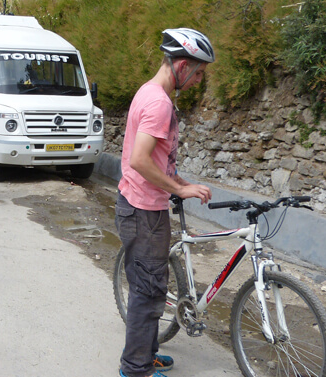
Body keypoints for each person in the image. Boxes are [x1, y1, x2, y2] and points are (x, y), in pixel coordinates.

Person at [115, 28, 214, 377]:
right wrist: (180, 191)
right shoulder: (159, 102)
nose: (199, 80)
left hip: (139, 203)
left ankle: (146, 353)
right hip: (144, 210)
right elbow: (141, 160)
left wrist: (180, 183)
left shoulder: (148, 91)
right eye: (199, 72)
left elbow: (152, 159)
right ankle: (136, 368)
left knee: (150, 284)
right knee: (149, 290)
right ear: (183, 66)